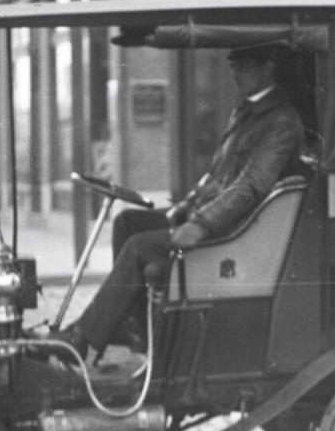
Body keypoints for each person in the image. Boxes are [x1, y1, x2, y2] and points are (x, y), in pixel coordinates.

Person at [54, 41, 306, 359]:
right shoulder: (247, 112)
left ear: (268, 68)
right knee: (127, 222)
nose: (234, 73)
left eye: (243, 65)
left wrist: (201, 224)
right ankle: (134, 326)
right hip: (218, 218)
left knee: (139, 247)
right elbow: (216, 173)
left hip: (235, 230)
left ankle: (81, 338)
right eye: (233, 66)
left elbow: (251, 186)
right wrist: (187, 205)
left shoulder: (280, 121)